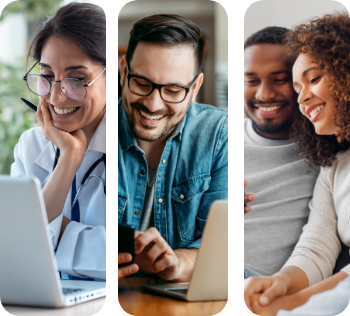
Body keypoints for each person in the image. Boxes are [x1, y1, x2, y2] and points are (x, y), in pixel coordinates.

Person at [245, 12, 350, 316]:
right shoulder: (332, 166)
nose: (303, 98)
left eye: (313, 79)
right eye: (298, 88)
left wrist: (290, 304)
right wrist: (279, 284)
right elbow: (316, 246)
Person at [118, 14, 228, 281]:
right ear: (123, 70)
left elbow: (223, 245)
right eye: (142, 83)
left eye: (174, 90)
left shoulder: (219, 134)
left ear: (195, 88)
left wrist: (178, 262)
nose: (153, 105)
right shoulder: (92, 128)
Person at [11, 2, 116, 280]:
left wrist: (53, 236)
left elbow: (129, 255)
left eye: (77, 80)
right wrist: (68, 158)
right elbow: (16, 251)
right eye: (47, 77)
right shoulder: (31, 146)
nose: (57, 98)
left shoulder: (139, 148)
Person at [243, 26, 320, 278]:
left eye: (279, 79)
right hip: (197, 274)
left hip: (269, 288)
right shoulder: (216, 141)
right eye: (251, 81)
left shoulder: (327, 150)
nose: (264, 94)